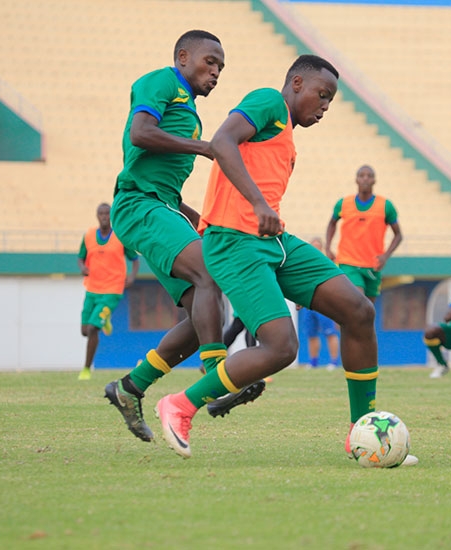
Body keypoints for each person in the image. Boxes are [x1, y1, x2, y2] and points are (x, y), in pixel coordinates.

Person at [152, 54, 417, 466]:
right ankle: (179, 406)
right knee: (281, 346)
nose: (325, 106)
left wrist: (264, 213)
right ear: (296, 83)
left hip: (273, 242)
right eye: (321, 95)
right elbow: (222, 141)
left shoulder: (285, 136)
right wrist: (258, 203)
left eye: (331, 100)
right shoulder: (268, 103)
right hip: (233, 242)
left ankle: (362, 432)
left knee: (358, 310)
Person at [104, 30, 263, 442]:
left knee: (203, 317)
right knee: (209, 276)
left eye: (221, 68)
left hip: (162, 206)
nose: (215, 72)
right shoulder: (162, 82)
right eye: (210, 62)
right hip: (139, 204)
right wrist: (205, 147)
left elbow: (169, 188)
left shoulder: (190, 111)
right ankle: (217, 379)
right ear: (182, 56)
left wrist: (200, 217)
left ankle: (130, 388)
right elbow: (140, 133)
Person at [77, 202, 140, 381]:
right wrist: (82, 267)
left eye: (107, 213)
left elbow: (135, 259)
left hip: (112, 289)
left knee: (92, 328)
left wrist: (132, 276)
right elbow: (80, 258)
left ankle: (86, 369)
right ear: (97, 216)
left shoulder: (120, 236)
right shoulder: (89, 236)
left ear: (111, 216)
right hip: (92, 288)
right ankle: (105, 319)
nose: (104, 216)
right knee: (84, 330)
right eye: (101, 214)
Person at [325, 165, 402, 304]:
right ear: (356, 180)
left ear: (374, 181)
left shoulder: (385, 206)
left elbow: (398, 235)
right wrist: (328, 247)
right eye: (362, 175)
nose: (365, 178)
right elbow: (332, 223)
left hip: (373, 265)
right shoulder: (343, 204)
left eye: (369, 176)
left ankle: (348, 326)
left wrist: (386, 256)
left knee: (368, 311)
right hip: (348, 262)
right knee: (357, 301)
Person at [300, 237, 340, 369]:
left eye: (317, 247)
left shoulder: (327, 263)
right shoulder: (304, 264)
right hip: (308, 304)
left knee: (330, 333)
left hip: (324, 303)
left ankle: (333, 362)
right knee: (311, 334)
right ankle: (313, 362)